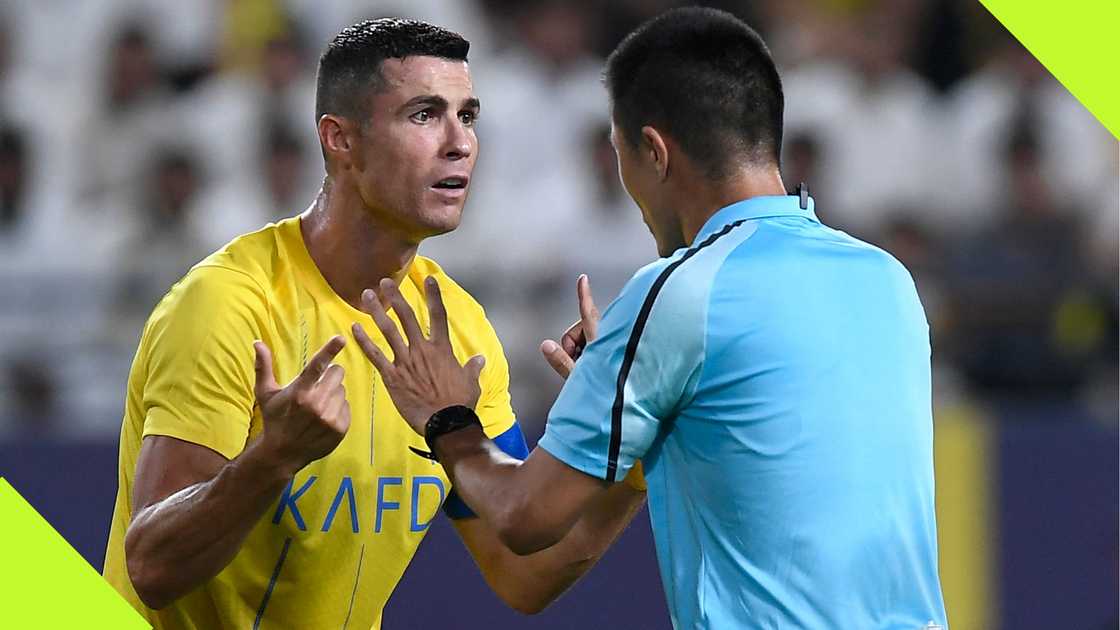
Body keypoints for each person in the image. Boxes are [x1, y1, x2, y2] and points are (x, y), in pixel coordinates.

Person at [355, 8, 948, 629]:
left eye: (622, 155)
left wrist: (449, 420)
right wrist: (629, 401)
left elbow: (523, 518)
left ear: (656, 153)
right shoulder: (888, 278)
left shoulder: (678, 292)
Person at [102, 18, 646, 629]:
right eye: (424, 115)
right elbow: (152, 566)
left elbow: (523, 571)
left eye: (468, 116)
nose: (460, 143)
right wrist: (273, 458)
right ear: (340, 140)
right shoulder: (226, 305)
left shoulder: (460, 331)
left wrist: (628, 449)